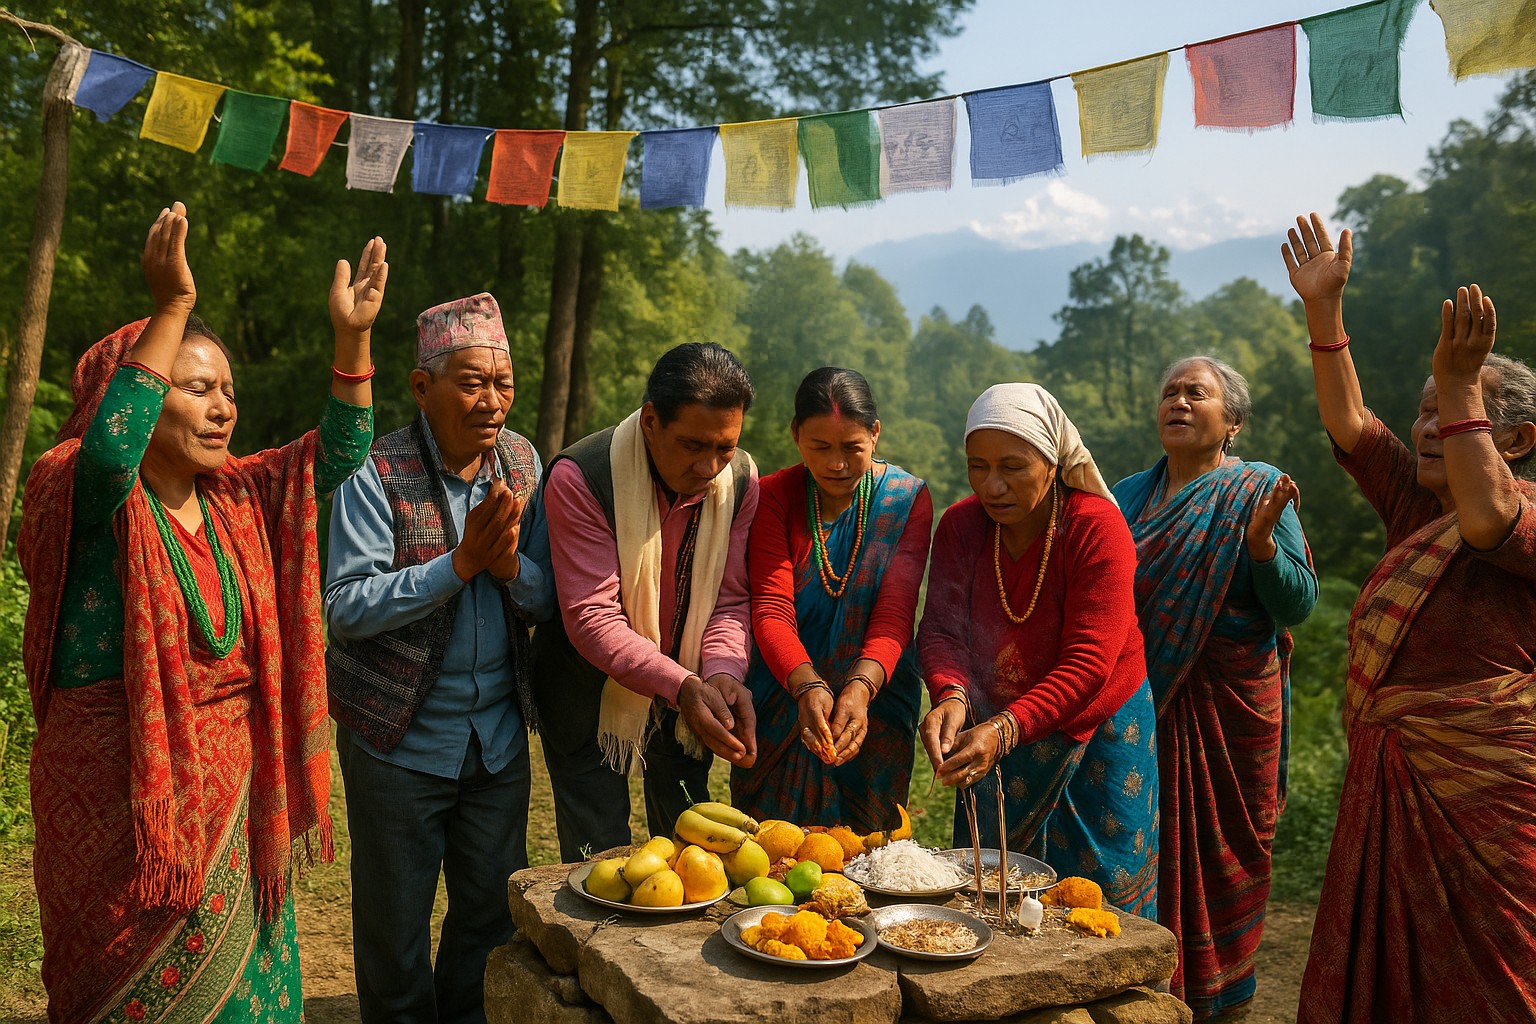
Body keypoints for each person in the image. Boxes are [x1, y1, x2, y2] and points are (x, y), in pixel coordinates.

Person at [19, 202, 385, 1022]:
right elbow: (112, 450)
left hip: (237, 803)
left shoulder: (238, 495)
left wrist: (353, 341)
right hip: (120, 807)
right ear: (136, 392)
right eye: (196, 388)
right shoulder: (75, 486)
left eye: (228, 390)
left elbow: (341, 451)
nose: (224, 407)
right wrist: (173, 305)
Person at [1283, 212, 1536, 1021]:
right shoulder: (1418, 511)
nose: (1429, 426)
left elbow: (1491, 519)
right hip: (1391, 788)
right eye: (1426, 409)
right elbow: (1350, 423)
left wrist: (1460, 382)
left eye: (1453, 411)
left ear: (1517, 441)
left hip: (1487, 809)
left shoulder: (1523, 514)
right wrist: (1324, 311)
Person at [324, 293, 553, 1024]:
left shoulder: (522, 463)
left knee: (488, 919)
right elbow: (345, 606)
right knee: (394, 929)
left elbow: (548, 597)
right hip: (397, 742)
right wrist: (457, 566)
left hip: (496, 745)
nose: (493, 402)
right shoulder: (374, 469)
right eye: (472, 383)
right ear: (422, 387)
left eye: (503, 383)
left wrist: (510, 568)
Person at [1111, 356, 1317, 1018]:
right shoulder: (1126, 496)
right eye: (1169, 392)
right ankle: (1145, 992)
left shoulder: (1259, 491)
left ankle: (1223, 998)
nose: (1177, 401)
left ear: (1232, 421)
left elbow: (1297, 603)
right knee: (1137, 847)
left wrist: (1261, 547)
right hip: (1141, 707)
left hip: (1231, 714)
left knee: (1224, 861)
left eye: (1196, 393)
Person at [917, 383, 1158, 916]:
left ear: (1053, 464)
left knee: (1097, 900)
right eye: (977, 466)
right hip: (992, 725)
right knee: (992, 891)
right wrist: (951, 694)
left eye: (1013, 467)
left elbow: (1090, 662)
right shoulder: (961, 526)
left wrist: (1005, 729)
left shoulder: (1096, 528)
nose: (992, 485)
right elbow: (940, 631)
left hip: (1095, 725)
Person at [534, 342, 759, 862]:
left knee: (691, 845)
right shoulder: (582, 476)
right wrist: (683, 685)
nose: (710, 467)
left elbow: (730, 600)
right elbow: (592, 616)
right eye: (693, 445)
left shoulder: (741, 481)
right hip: (587, 694)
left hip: (691, 694)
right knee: (599, 859)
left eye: (725, 447)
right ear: (651, 421)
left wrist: (723, 673)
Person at [731, 367, 933, 831]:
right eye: (820, 447)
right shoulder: (774, 496)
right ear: (795, 434)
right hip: (784, 692)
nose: (836, 464)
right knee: (773, 849)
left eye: (852, 448)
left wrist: (860, 689)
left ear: (875, 433)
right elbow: (772, 608)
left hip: (876, 698)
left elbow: (895, 612)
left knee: (868, 851)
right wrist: (807, 686)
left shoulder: (904, 499)